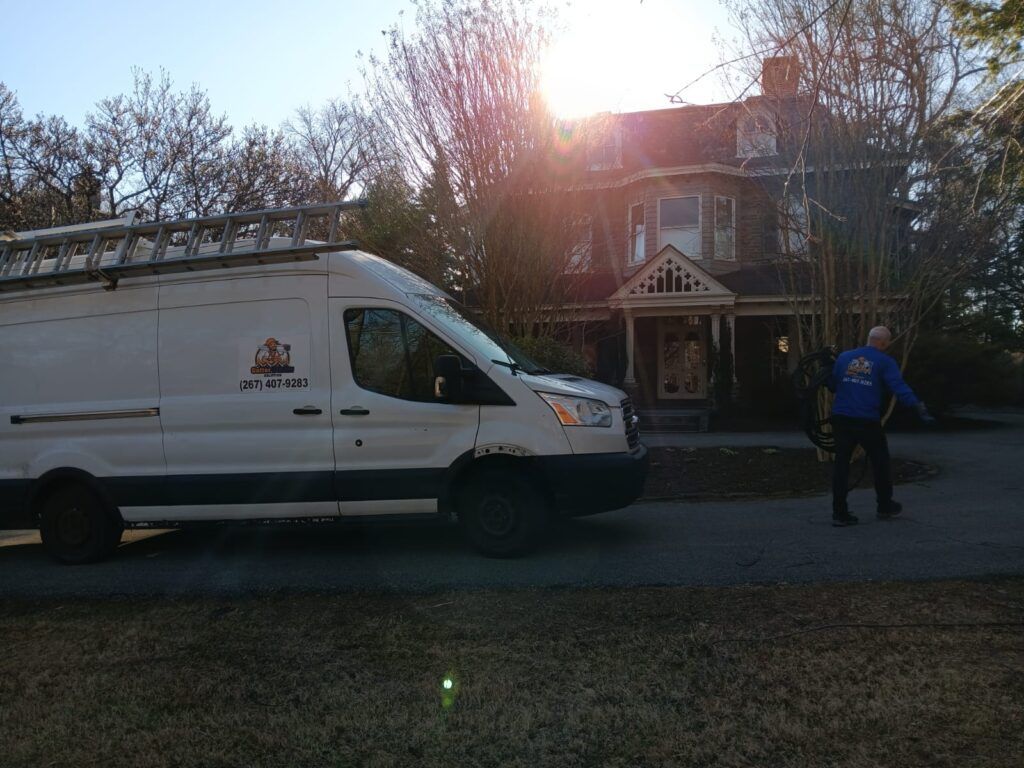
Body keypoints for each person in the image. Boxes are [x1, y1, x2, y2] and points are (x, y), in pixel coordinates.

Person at [828, 326, 934, 527]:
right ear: (884, 343)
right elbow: (898, 386)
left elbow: (833, 384)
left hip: (841, 418)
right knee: (881, 463)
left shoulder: (844, 357)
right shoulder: (885, 361)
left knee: (841, 465)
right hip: (866, 421)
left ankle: (839, 513)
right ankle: (884, 505)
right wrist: (917, 405)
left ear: (869, 339)